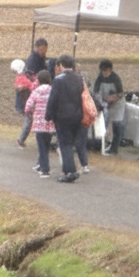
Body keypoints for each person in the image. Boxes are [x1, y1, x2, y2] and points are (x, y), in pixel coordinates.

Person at [44, 54, 84, 183]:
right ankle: (70, 169)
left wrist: (48, 115)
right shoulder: (79, 78)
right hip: (77, 115)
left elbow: (53, 99)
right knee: (70, 144)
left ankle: (69, 171)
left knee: (64, 144)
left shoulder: (59, 79)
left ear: (61, 65)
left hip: (62, 116)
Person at [17, 38, 50, 148]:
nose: (44, 51)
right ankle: (22, 139)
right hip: (30, 91)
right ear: (37, 48)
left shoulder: (40, 59)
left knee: (33, 117)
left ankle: (23, 139)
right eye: (42, 49)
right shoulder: (33, 60)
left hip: (35, 90)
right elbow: (29, 77)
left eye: (45, 49)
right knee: (31, 117)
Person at [23, 70, 55, 177]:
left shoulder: (36, 91)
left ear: (39, 80)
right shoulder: (53, 90)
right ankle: (41, 165)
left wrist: (28, 112)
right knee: (46, 146)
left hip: (39, 123)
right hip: (50, 123)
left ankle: (45, 170)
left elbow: (28, 105)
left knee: (42, 148)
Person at [92, 59, 126, 154]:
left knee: (117, 124)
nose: (104, 73)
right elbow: (95, 92)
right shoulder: (99, 78)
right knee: (102, 124)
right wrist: (100, 102)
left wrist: (112, 99)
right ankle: (100, 145)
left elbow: (120, 94)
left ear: (110, 69)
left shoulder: (116, 78)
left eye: (106, 70)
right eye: (102, 70)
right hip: (105, 102)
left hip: (117, 104)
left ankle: (114, 148)